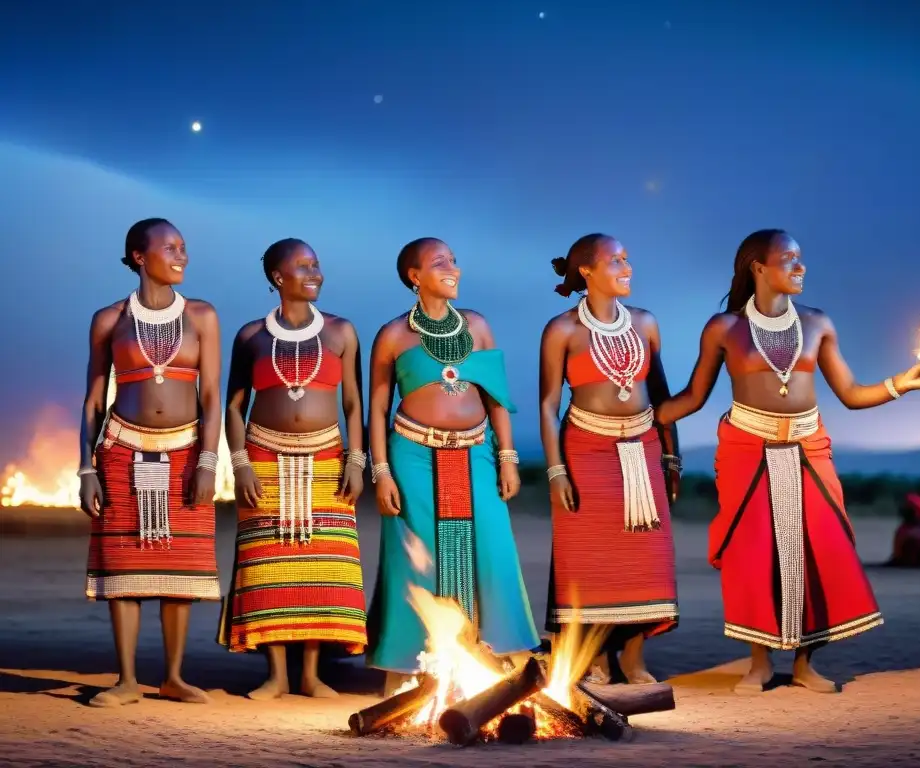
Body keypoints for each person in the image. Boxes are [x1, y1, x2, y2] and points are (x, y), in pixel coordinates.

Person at [656, 228, 920, 694]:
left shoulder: (819, 323)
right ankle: (760, 664)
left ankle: (806, 665)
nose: (800, 267)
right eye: (789, 259)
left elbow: (849, 393)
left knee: (818, 550)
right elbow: (692, 397)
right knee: (753, 555)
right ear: (758, 267)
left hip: (809, 448)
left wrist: (899, 383)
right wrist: (639, 417)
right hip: (747, 450)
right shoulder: (724, 328)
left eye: (801, 258)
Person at [365, 237, 539, 693]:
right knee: (413, 562)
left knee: (493, 549)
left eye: (455, 260)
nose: (453, 268)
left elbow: (496, 397)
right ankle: (401, 674)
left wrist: (507, 457)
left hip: (476, 453)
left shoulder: (478, 326)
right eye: (440, 261)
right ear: (414, 276)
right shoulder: (392, 335)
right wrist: (380, 470)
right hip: (412, 455)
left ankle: (514, 662)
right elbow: (377, 410)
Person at [78, 218, 221, 707]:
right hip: (120, 449)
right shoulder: (108, 320)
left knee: (180, 568)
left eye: (184, 247)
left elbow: (211, 395)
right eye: (170, 248)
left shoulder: (202, 315)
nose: (181, 255)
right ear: (140, 257)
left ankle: (174, 677)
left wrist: (208, 459)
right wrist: (86, 468)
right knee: (124, 569)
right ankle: (125, 680)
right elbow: (94, 400)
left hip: (184, 451)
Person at [217, 238, 368, 700]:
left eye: (317, 264)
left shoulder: (342, 332)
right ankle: (276, 676)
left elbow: (353, 404)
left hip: (327, 458)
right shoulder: (251, 336)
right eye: (303, 265)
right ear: (278, 278)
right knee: (269, 566)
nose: (315, 272)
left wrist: (357, 461)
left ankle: (311, 676)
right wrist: (239, 464)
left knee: (324, 567)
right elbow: (234, 406)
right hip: (264, 457)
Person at [539, 234, 680, 685]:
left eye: (627, 258)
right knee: (588, 560)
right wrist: (556, 469)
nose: (627, 267)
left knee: (644, 555)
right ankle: (597, 658)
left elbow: (661, 397)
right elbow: (546, 405)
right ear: (587, 271)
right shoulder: (562, 329)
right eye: (615, 260)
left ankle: (634, 660)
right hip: (585, 450)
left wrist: (672, 457)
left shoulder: (646, 323)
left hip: (643, 448)